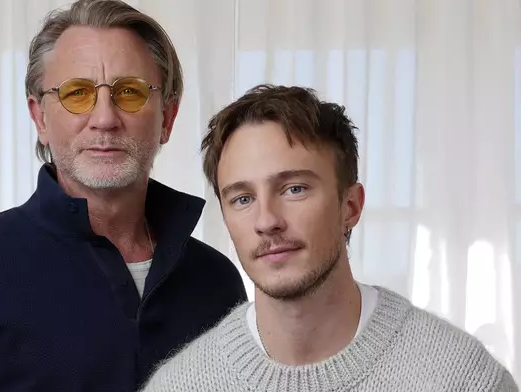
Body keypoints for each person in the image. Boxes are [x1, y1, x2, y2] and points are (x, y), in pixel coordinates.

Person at [0, 0, 247, 390]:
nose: (105, 118)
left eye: (129, 92)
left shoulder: (217, 283)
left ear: (168, 118)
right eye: (77, 93)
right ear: (39, 117)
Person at [140, 84, 519, 392]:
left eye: (294, 189)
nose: (267, 220)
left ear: (350, 206)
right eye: (242, 198)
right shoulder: (180, 385)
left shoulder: (463, 380)